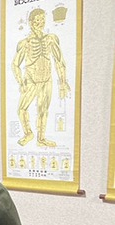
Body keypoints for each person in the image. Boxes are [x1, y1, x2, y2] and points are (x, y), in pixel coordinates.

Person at [11, 8, 71, 147]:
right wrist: (21, 82)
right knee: (22, 109)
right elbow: (15, 64)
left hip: (47, 79)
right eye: (37, 20)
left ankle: (41, 138)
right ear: (31, 22)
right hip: (32, 80)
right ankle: (28, 133)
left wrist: (63, 82)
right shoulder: (25, 43)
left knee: (43, 109)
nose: (41, 22)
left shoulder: (51, 39)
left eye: (43, 19)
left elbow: (59, 61)